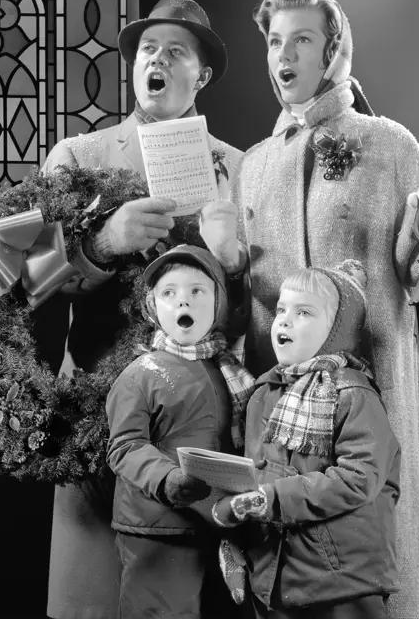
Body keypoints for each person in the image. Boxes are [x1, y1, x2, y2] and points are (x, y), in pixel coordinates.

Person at [199, 0, 419, 619]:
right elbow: (240, 309)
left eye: (302, 38)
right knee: (286, 557)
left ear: (334, 51)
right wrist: (224, 260)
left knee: (374, 572)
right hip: (282, 412)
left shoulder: (387, 143)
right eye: (275, 41)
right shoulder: (252, 165)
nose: (284, 53)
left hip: (373, 390)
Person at [38, 0, 244, 619]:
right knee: (92, 600)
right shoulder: (78, 158)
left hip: (200, 422)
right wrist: (103, 242)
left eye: (175, 51)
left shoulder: (239, 169)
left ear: (200, 76)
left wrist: (229, 262)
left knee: (180, 597)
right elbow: (26, 278)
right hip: (96, 412)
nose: (157, 59)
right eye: (147, 49)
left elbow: (260, 305)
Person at [212, 261, 401, 619]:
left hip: (343, 577)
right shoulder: (262, 395)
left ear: (336, 330)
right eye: (281, 309)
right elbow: (258, 474)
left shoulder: (351, 393)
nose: (283, 320)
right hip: (279, 574)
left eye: (303, 312)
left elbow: (359, 478)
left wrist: (273, 498)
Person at [106, 244, 255, 619]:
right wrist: (167, 478)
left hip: (220, 523)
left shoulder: (230, 372)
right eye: (168, 293)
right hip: (159, 529)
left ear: (218, 303)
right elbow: (124, 446)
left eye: (196, 291)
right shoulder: (140, 375)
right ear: (153, 306)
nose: (182, 302)